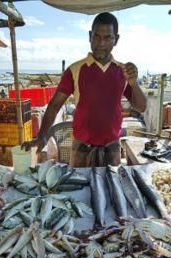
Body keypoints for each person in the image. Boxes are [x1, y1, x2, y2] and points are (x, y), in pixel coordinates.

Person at [22, 12, 147, 167]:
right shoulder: (75, 70)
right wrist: (41, 137)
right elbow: (54, 106)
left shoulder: (123, 72)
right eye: (96, 36)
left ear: (116, 39)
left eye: (107, 37)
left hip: (112, 149)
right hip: (81, 150)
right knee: (79, 189)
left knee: (110, 190)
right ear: (90, 36)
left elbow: (141, 106)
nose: (101, 43)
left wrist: (134, 83)